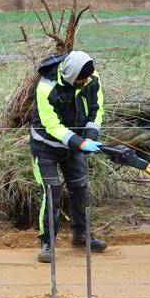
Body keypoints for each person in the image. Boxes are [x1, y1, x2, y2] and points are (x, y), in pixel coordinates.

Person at [30, 50, 107, 263]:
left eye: (87, 79)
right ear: (71, 76)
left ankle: (82, 235)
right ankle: (47, 243)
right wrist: (79, 142)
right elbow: (51, 125)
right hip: (45, 146)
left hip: (73, 147)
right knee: (52, 192)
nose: (85, 82)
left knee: (80, 188)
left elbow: (96, 109)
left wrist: (90, 136)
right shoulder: (46, 87)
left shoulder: (92, 79)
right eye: (80, 80)